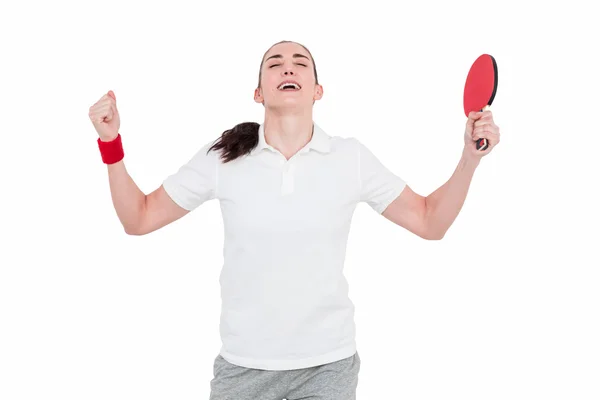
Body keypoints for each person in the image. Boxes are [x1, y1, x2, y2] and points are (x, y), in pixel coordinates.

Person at [88, 40, 500, 400]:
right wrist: (111, 143)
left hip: (328, 365)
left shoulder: (350, 158)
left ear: (318, 90)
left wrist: (469, 158)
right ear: (258, 92)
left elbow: (430, 223)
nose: (288, 66)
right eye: (275, 62)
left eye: (301, 62)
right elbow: (138, 219)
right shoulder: (223, 160)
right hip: (243, 366)